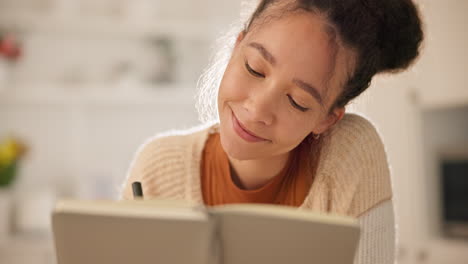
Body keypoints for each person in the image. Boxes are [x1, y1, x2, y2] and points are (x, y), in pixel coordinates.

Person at [121, 0, 424, 263]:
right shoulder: (157, 168)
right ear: (236, 47)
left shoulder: (348, 156)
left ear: (327, 119)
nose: (257, 110)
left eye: (297, 101)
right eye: (254, 68)